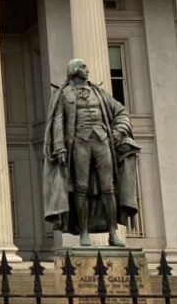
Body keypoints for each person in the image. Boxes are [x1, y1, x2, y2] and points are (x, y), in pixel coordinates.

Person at [42, 58, 141, 246]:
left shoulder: (99, 93)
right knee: (81, 188)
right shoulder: (64, 94)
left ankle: (113, 233)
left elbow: (121, 112)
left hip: (102, 140)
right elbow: (57, 121)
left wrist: (119, 130)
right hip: (79, 142)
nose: (87, 70)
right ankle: (84, 232)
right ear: (74, 70)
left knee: (108, 187)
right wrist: (59, 147)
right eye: (83, 67)